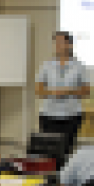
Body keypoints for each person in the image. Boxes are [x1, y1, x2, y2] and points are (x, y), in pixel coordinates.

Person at [36, 31, 90, 160]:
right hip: (49, 113)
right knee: (48, 152)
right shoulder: (47, 65)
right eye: (56, 42)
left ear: (69, 45)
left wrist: (69, 91)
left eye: (60, 42)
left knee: (66, 151)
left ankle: (64, 178)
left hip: (71, 114)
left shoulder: (79, 66)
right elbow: (38, 90)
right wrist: (51, 92)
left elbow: (86, 91)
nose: (57, 45)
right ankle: (51, 177)